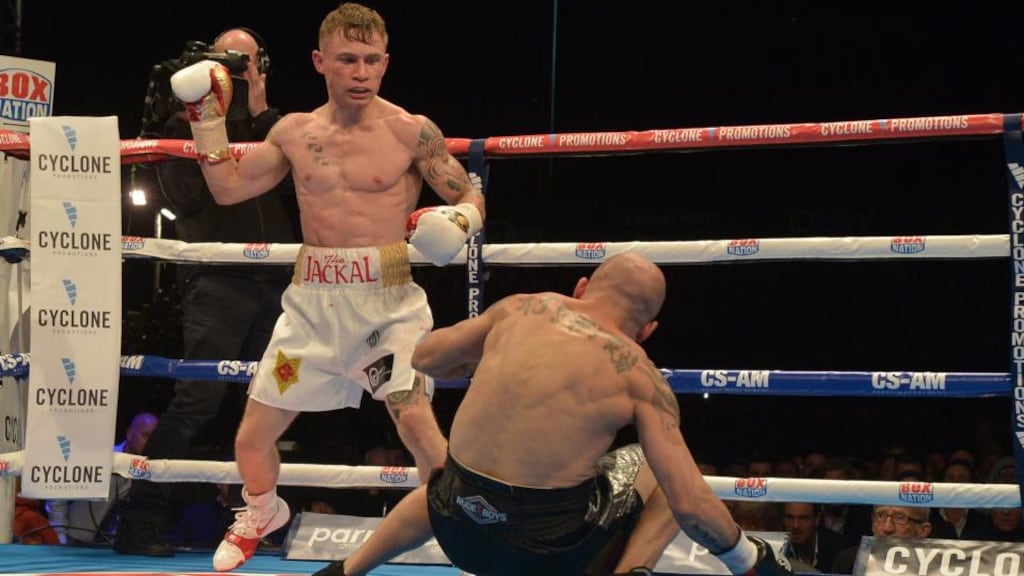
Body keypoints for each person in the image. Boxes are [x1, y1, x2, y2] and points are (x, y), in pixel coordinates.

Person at [168, 3, 486, 571]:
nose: (360, 72)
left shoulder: (412, 131)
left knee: (413, 418)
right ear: (321, 62)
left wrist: (462, 221)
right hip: (311, 306)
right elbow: (228, 189)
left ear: (385, 63)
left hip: (388, 307)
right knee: (251, 438)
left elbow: (471, 194)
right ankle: (261, 509)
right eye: (347, 60)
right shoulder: (295, 132)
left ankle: (457, 525)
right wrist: (205, 119)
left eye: (370, 60)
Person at [312, 253, 792, 576]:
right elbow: (690, 507)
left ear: (582, 287)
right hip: (548, 555)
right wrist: (751, 560)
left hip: (457, 526)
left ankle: (346, 570)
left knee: (449, 478)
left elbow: (425, 357)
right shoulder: (643, 380)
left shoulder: (523, 308)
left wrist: (484, 352)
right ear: (647, 329)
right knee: (663, 473)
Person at [114, 27, 300, 558]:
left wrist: (260, 111)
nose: (241, 70)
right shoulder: (182, 122)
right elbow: (191, 200)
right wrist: (211, 119)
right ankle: (141, 518)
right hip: (221, 280)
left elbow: (301, 189)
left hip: (280, 281)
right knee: (198, 398)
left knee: (275, 403)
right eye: (231, 61)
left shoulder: (275, 128)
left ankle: (257, 515)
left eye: (249, 61)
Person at [49, 412, 159, 546]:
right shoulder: (101, 459)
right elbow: (58, 494)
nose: (151, 442)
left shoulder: (149, 470)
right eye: (146, 435)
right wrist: (60, 536)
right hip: (73, 540)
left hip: (108, 547)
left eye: (155, 438)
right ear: (130, 434)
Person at [831, 504, 932, 574]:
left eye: (900, 518)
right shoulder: (849, 560)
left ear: (923, 530)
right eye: (881, 516)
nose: (887, 528)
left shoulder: (936, 566)